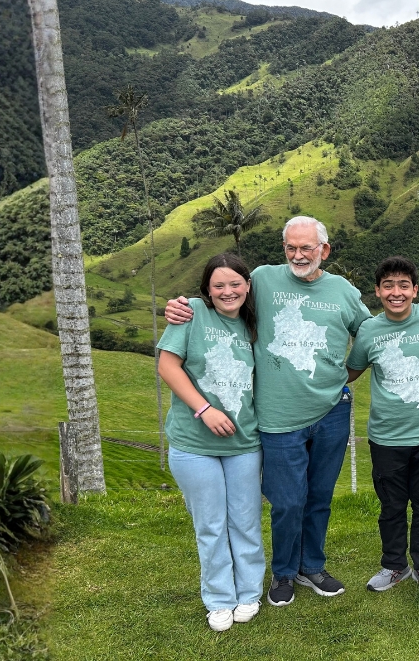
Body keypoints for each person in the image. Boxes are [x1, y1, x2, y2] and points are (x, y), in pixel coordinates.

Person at [164, 216, 419, 607]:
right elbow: (222, 296)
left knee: (319, 496)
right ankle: (283, 572)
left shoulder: (344, 291)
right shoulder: (262, 280)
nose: (299, 255)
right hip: (277, 417)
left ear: (324, 251)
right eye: (291, 248)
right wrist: (181, 305)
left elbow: (380, 331)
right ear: (284, 250)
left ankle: (311, 565)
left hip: (332, 411)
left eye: (307, 248)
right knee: (287, 501)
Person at [156, 253, 264, 632]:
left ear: (247, 286)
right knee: (211, 523)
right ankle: (219, 598)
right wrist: (204, 409)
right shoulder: (191, 314)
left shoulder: (255, 323)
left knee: (245, 520)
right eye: (218, 285)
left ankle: (249, 591)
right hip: (193, 442)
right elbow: (167, 365)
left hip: (244, 442)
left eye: (235, 283)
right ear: (206, 290)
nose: (227, 291)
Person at [346, 257, 419, 595]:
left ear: (415, 290)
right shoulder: (369, 330)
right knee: (392, 506)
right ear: (377, 291)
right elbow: (353, 370)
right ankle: (394, 565)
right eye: (388, 286)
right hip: (386, 436)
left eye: (403, 286)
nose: (395, 292)